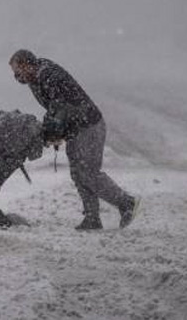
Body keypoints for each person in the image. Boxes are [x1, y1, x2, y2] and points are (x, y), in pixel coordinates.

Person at [9, 49, 141, 230]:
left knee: (88, 172)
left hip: (88, 126)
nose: (16, 76)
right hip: (76, 128)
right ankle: (92, 218)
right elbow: (55, 110)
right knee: (79, 173)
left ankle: (127, 203)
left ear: (26, 64)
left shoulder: (48, 75)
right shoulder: (36, 78)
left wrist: (51, 132)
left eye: (17, 70)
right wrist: (52, 131)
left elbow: (60, 107)